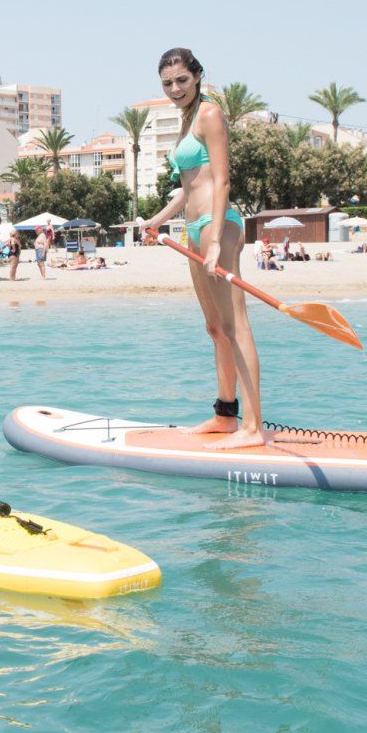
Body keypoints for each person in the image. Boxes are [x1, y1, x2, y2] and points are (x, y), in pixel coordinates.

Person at [140, 47, 270, 451]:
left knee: (236, 326)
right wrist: (158, 219)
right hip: (193, 230)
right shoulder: (185, 120)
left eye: (181, 80)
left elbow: (222, 182)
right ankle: (225, 415)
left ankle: (254, 427)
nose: (175, 88)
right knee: (215, 329)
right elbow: (189, 188)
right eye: (167, 83)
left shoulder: (210, 114)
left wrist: (214, 240)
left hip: (220, 229)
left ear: (197, 76)